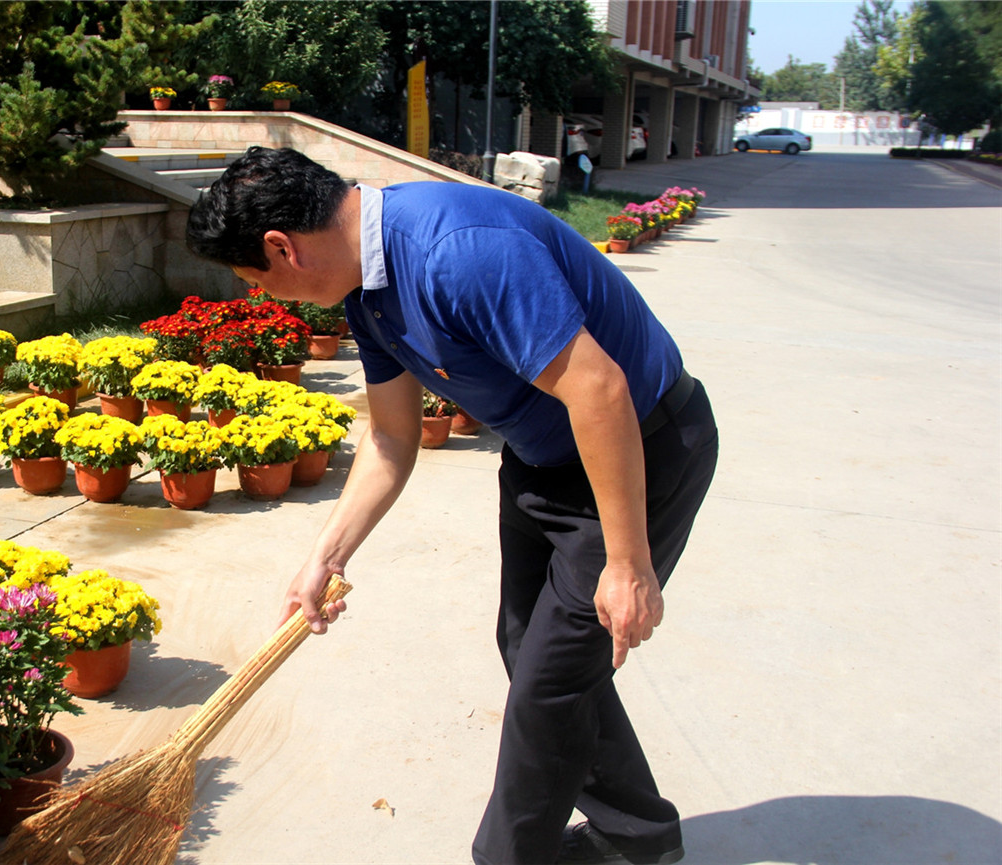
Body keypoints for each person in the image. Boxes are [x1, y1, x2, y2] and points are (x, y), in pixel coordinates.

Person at [185, 146, 717, 865]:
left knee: (550, 680)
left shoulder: (454, 252)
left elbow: (601, 391)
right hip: (544, 459)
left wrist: (627, 563)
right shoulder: (367, 292)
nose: (269, 298)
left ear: (283, 248)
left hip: (639, 450)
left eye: (258, 280)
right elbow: (395, 435)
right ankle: (639, 837)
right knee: (529, 649)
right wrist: (325, 556)